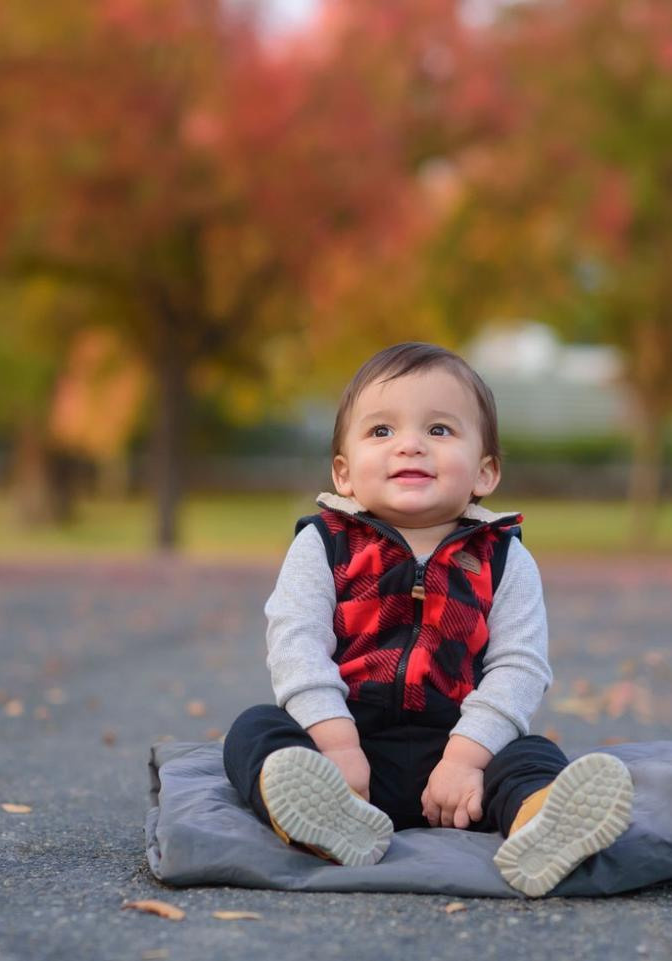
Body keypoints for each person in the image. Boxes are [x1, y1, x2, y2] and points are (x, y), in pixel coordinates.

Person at [222, 342, 633, 896]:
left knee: (532, 756)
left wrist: (466, 758)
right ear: (343, 474)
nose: (411, 445)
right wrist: (337, 746)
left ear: (485, 472)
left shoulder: (504, 558)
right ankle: (321, 823)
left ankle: (542, 825)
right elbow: (296, 646)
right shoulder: (324, 545)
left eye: (439, 430)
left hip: (459, 760)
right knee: (255, 731)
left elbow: (519, 666)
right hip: (345, 751)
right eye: (381, 432)